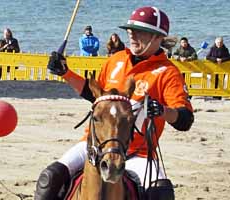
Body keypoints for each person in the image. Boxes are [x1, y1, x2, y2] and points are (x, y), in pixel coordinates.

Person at [36, 6, 193, 200]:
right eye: (130, 32)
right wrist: (65, 73)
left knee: (161, 193)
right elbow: (95, 96)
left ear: (158, 38)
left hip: (138, 153)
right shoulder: (116, 60)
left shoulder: (168, 73)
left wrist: (162, 110)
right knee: (49, 178)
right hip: (94, 145)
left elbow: (185, 119)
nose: (133, 37)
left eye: (140, 33)